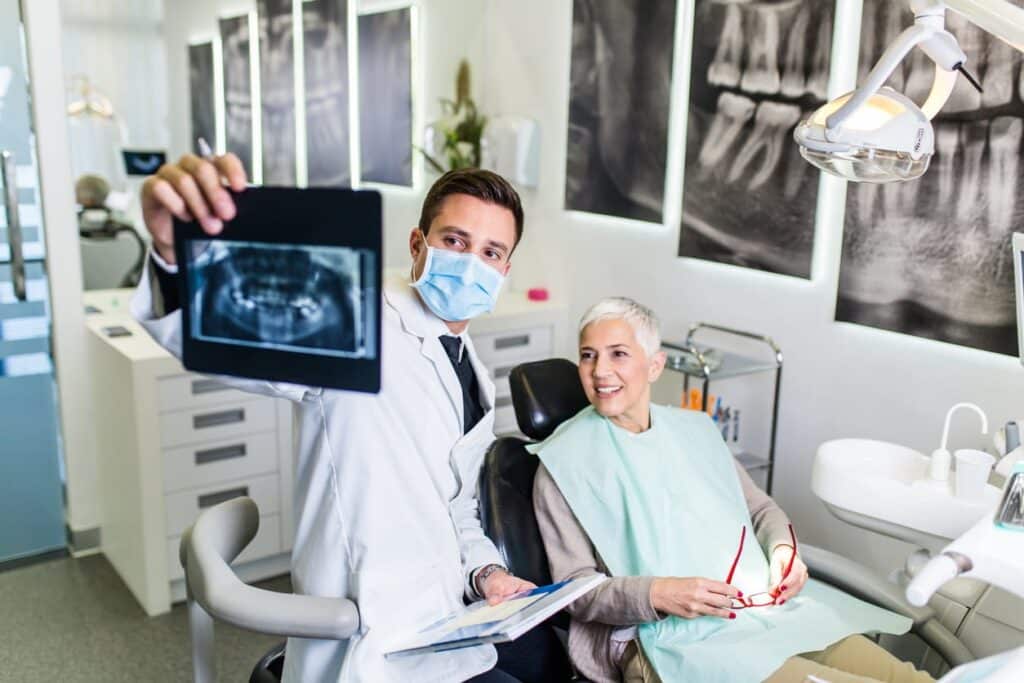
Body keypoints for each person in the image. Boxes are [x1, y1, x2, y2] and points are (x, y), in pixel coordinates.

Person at [134, 153, 537, 682]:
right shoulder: (358, 319)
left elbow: (456, 505)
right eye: (455, 242)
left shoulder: (471, 370)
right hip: (366, 636)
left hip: (443, 626)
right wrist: (174, 252)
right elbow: (248, 337)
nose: (471, 265)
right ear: (418, 245)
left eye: (491, 253)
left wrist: (485, 571)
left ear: (504, 271)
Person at [531, 297, 935, 683]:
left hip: (761, 617)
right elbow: (576, 592)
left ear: (655, 366)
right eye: (588, 355)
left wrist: (782, 550)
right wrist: (659, 593)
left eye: (618, 353)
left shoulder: (695, 431)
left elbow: (761, 510)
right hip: (669, 644)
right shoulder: (563, 464)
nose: (600, 370)